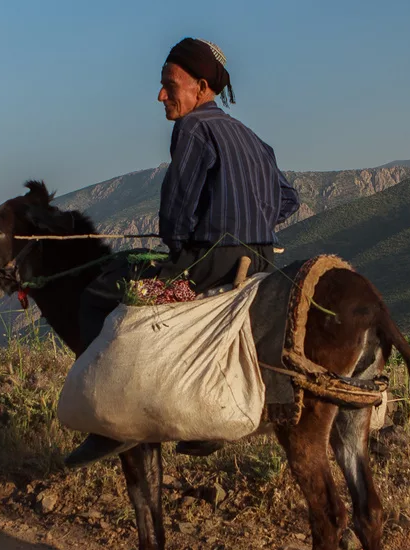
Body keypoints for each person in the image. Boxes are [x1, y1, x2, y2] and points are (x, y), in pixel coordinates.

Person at [66, 37, 301, 468]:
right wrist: (254, 222)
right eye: (161, 85)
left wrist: (181, 245)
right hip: (263, 259)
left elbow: (176, 210)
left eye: (169, 85)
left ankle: (107, 425)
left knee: (102, 293)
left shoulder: (193, 128)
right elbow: (290, 199)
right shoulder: (251, 136)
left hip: (209, 261)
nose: (161, 95)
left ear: (201, 87)